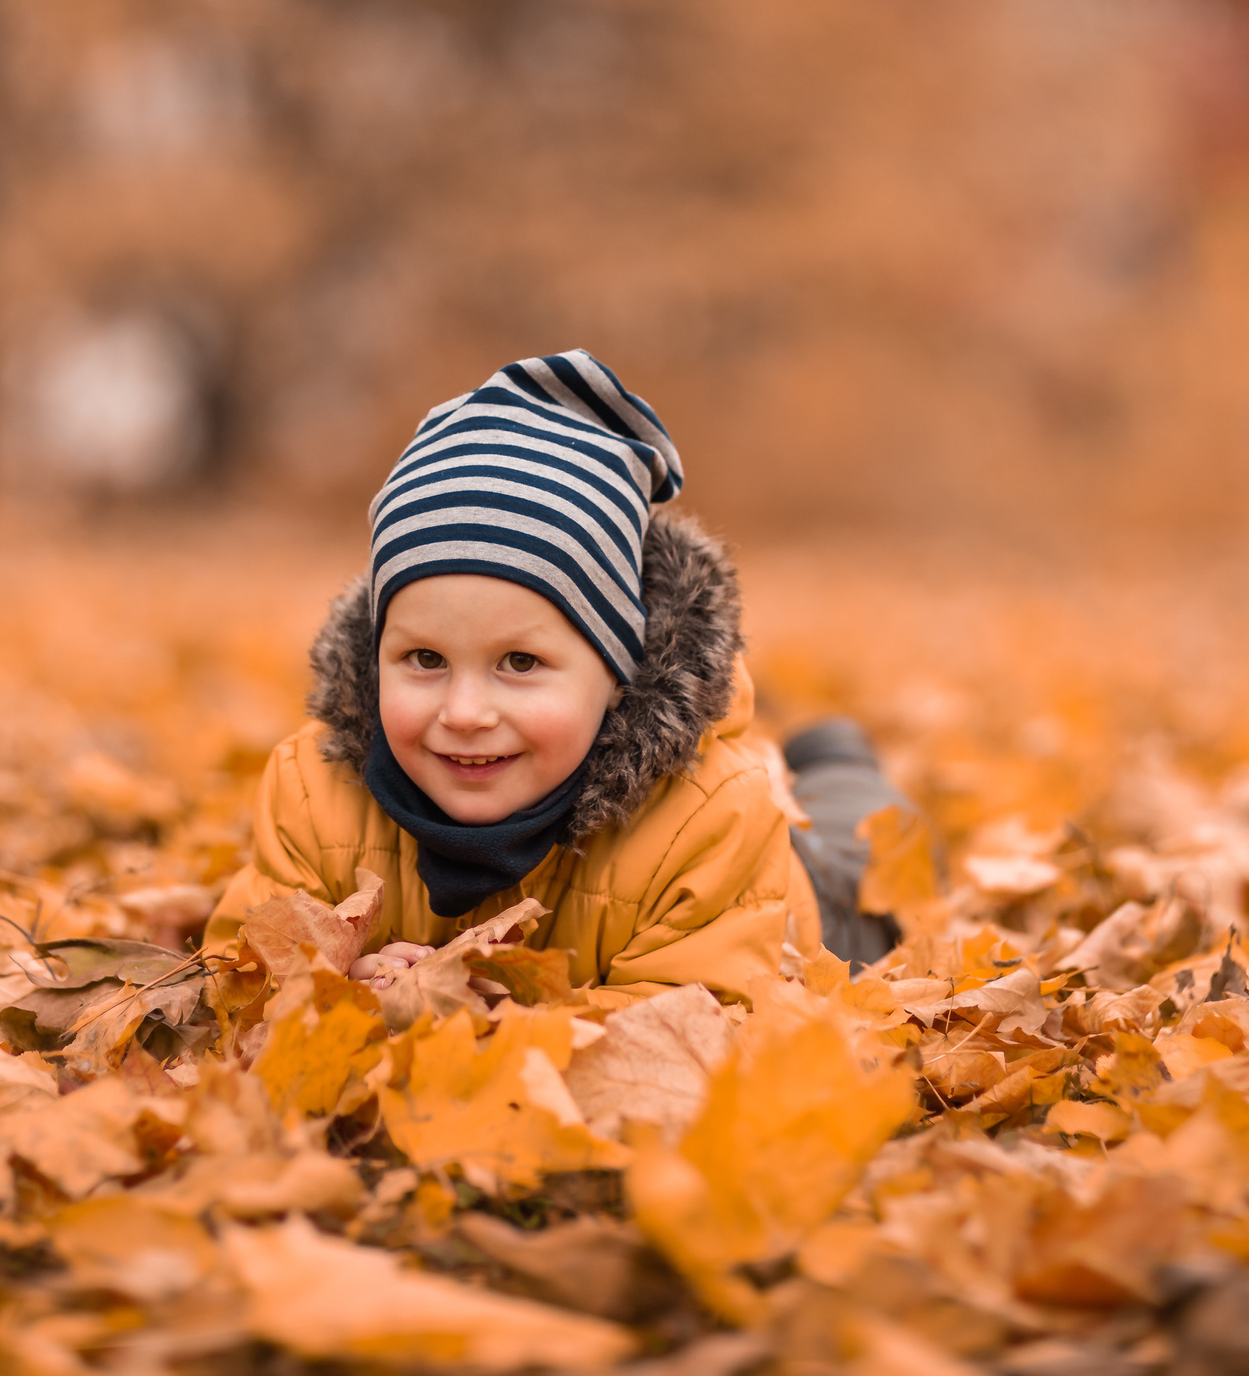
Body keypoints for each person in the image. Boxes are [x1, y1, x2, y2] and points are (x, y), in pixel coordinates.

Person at [200, 351, 899, 1007]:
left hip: (800, 898)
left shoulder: (710, 819)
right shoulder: (313, 793)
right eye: (425, 660)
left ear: (619, 672)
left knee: (862, 849)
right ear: (376, 653)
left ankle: (839, 759)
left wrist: (495, 1018)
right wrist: (342, 986)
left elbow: (698, 1019)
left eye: (520, 663)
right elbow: (242, 970)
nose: (465, 711)